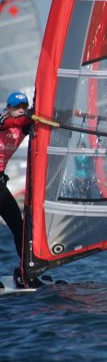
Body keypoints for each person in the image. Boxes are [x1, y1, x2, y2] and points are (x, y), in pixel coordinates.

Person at [0, 91, 38, 288]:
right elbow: (11, 123)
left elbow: (30, 123)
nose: (21, 110)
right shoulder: (4, 119)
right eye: (17, 107)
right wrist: (28, 116)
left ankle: (26, 273)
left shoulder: (24, 125)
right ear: (9, 109)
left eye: (24, 106)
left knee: (18, 226)